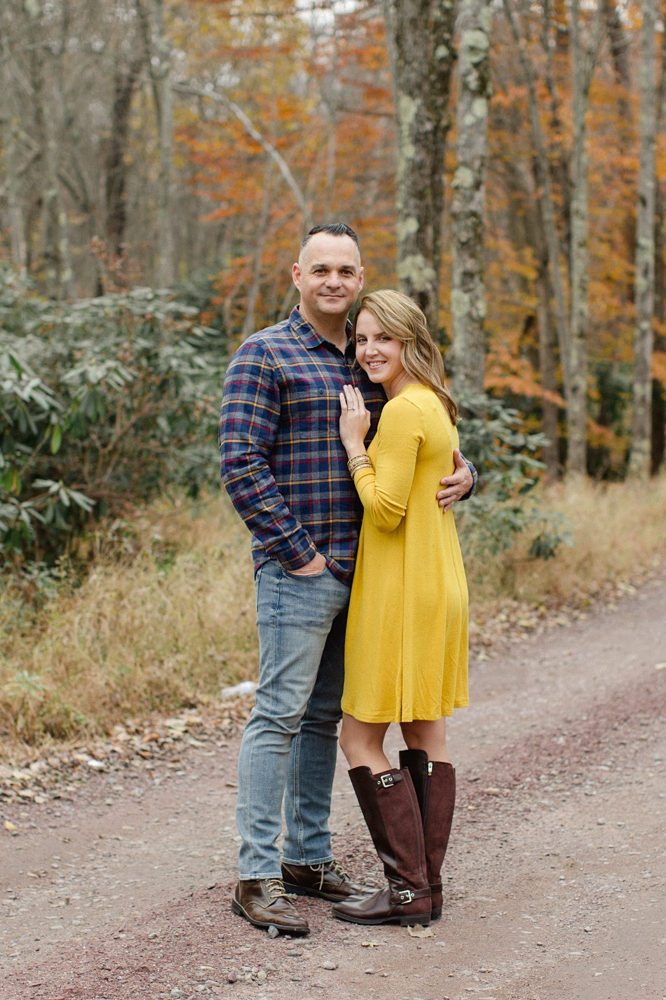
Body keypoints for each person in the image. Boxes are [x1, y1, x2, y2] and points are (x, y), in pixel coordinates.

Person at [219, 224, 475, 936]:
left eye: (346, 270)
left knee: (327, 721)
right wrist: (296, 553)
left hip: (372, 583)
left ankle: (308, 857)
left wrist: (466, 473)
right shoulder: (265, 354)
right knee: (278, 716)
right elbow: (241, 463)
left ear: (361, 280)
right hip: (301, 573)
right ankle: (257, 875)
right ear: (296, 274)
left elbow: (424, 439)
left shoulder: (369, 359)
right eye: (321, 268)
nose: (333, 280)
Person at [329, 290, 469, 927]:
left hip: (401, 587)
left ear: (411, 340)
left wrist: (355, 441)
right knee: (425, 731)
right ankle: (426, 889)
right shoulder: (436, 405)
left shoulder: (401, 413)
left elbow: (385, 510)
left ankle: (406, 888)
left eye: (383, 338)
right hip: (437, 580)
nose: (369, 350)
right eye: (361, 339)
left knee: (358, 735)